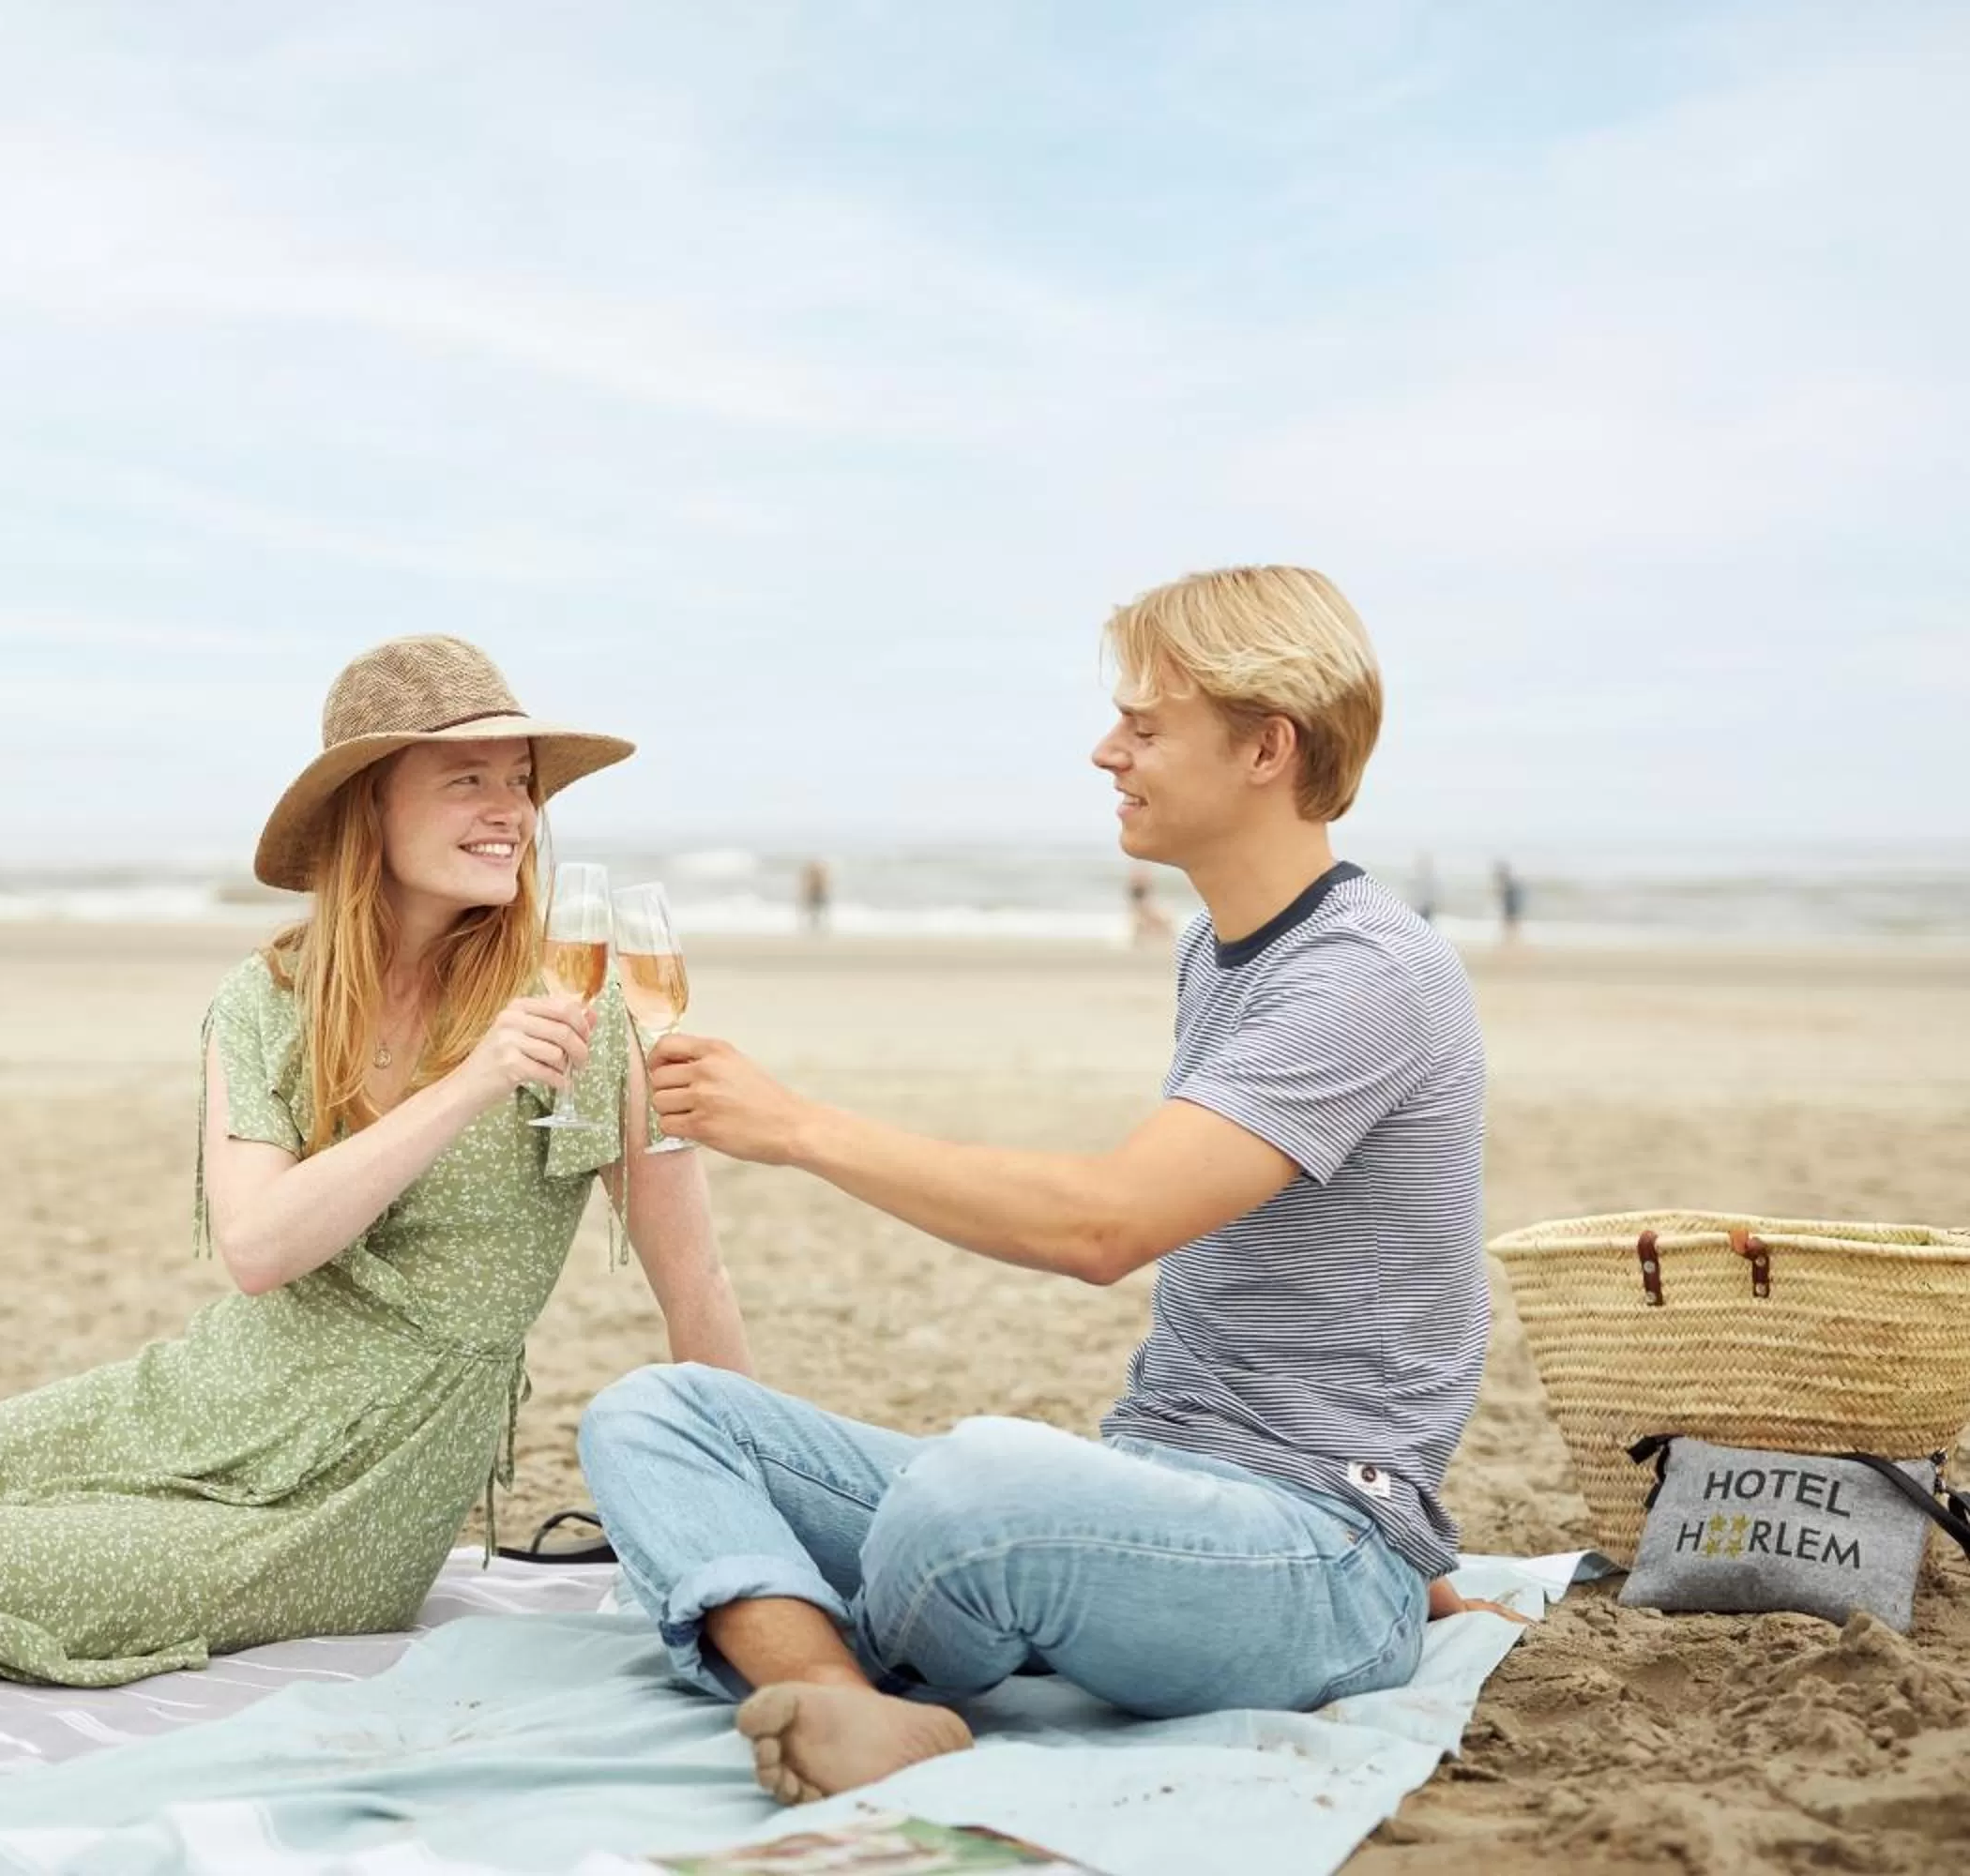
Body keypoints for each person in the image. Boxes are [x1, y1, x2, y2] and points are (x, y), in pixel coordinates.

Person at [579, 567, 1517, 1808]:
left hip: (1308, 1555)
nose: (1104, 752)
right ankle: (845, 1703)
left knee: (971, 1494)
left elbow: (1104, 1224)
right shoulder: (1217, 951)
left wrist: (797, 1126)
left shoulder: (1366, 975)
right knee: (656, 1414)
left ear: (1266, 748)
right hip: (1172, 1496)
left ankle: (811, 1634)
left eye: (1144, 725)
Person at [0, 635, 750, 1688]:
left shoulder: (580, 1012)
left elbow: (694, 1281)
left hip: (352, 1500)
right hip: (207, 1397)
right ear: (369, 808)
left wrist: (748, 1558)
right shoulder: (269, 999)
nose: (513, 811)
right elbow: (258, 1248)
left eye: (521, 784)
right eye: (466, 779)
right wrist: (469, 1082)